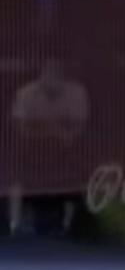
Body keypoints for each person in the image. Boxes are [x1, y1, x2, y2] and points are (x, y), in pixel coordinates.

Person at [8, 59, 90, 238]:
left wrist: (56, 134)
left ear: (63, 78)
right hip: (31, 149)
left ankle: (69, 226)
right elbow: (20, 129)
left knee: (76, 177)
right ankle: (15, 224)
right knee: (15, 176)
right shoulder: (26, 94)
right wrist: (50, 131)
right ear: (41, 76)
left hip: (66, 150)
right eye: (48, 74)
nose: (52, 79)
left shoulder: (77, 93)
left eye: (56, 75)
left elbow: (78, 131)